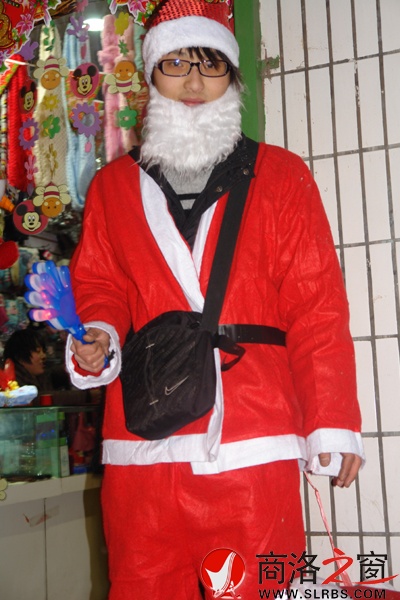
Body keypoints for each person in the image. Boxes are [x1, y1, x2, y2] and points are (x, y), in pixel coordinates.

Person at [66, 1, 365, 598]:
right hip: (144, 433)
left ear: (232, 76)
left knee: (262, 585)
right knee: (143, 582)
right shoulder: (112, 187)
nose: (194, 81)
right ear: (151, 75)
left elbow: (317, 305)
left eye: (211, 65)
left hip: (255, 429)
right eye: (176, 64)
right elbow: (100, 285)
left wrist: (331, 421)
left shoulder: (282, 176)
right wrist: (99, 332)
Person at [3, 328, 48, 401]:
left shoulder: (43, 377)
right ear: (20, 357)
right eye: (37, 351)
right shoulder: (11, 384)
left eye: (44, 351)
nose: (44, 356)